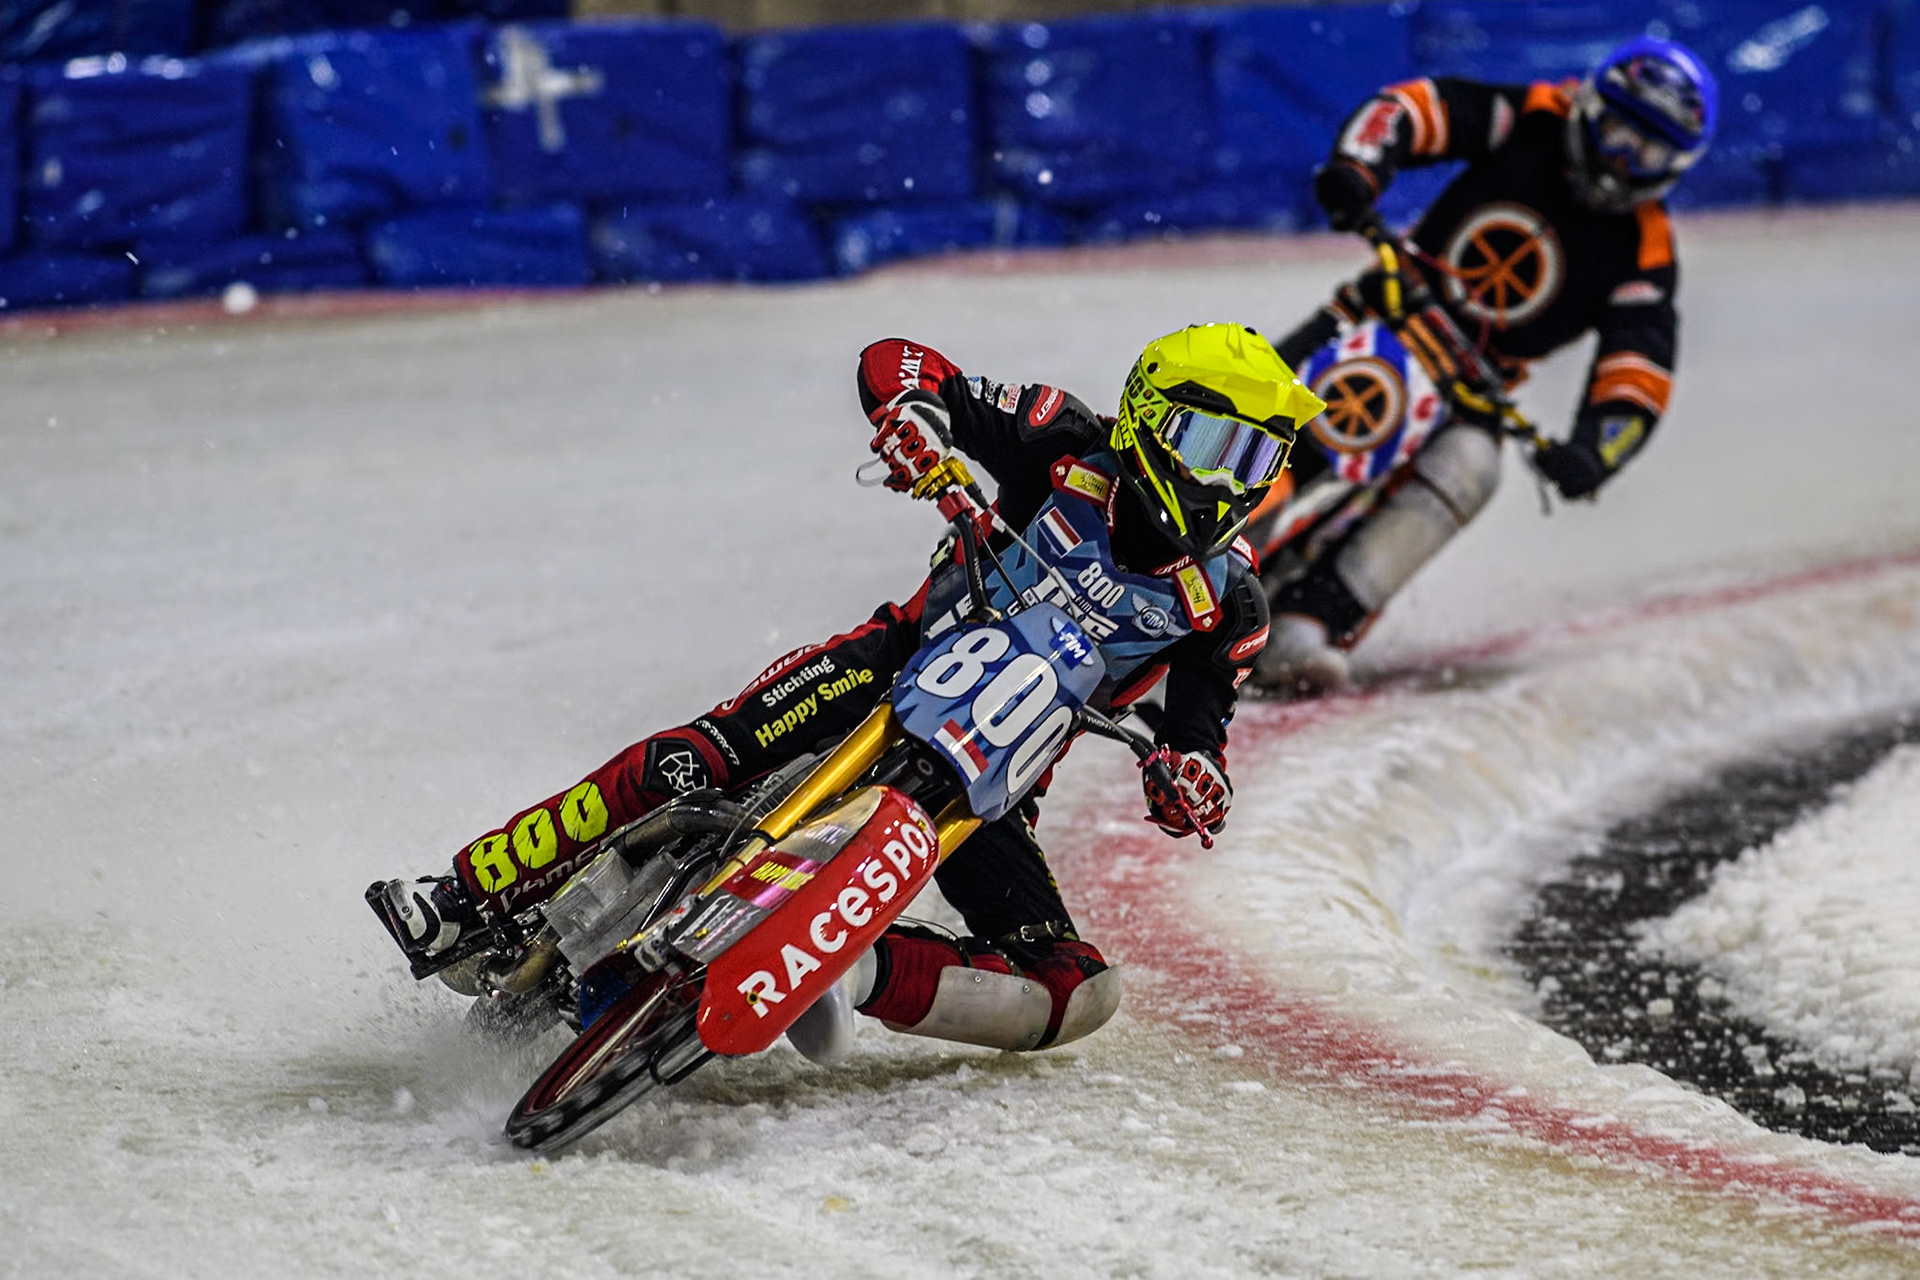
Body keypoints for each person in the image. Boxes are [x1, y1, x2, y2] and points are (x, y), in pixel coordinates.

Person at [370, 322, 1323, 1053]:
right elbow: (902, 362)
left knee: (1075, 992)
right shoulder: (1062, 438)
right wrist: (918, 425)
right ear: (1152, 420)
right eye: (1211, 445)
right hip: (886, 668)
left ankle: (843, 968)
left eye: (1253, 461)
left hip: (990, 788)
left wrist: (1192, 776)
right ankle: (464, 894)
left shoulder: (1227, 604)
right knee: (689, 761)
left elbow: (1203, 732)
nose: (1225, 482)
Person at [1252, 36, 1718, 694]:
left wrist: (1595, 451)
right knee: (1273, 417)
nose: (1623, 162)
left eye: (1648, 151)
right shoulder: (1533, 116)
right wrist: (1358, 169)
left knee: (1473, 468)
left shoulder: (1645, 250)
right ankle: (1194, 530)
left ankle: (1310, 618)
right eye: (1618, 132)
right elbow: (1413, 111)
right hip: (1381, 313)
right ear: (1591, 107)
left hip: (1474, 389)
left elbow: (1638, 373)